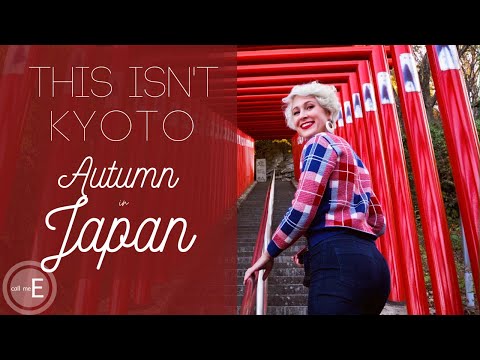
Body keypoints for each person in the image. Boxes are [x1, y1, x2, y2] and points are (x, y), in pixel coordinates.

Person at [243, 81, 391, 315]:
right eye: (296, 112)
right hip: (374, 267)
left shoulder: (319, 143)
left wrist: (269, 253)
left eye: (309, 107)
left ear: (327, 110)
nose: (302, 115)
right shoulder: (351, 153)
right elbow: (378, 222)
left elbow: (302, 208)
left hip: (339, 266)